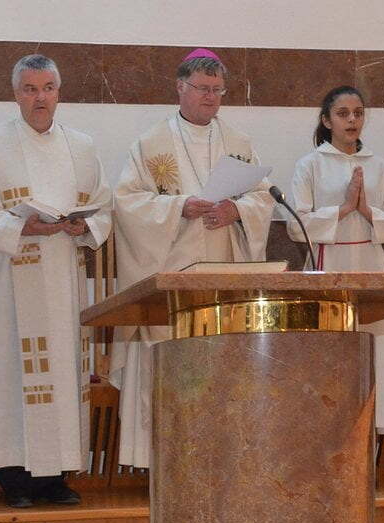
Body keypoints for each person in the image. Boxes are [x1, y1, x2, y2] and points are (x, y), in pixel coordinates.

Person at [111, 48, 275, 468]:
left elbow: (263, 196)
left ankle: (219, 458)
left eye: (218, 90)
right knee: (173, 369)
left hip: (223, 276)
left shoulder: (239, 144)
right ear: (180, 88)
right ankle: (166, 461)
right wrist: (178, 208)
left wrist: (237, 210)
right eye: (202, 89)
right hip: (172, 277)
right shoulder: (150, 144)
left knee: (221, 368)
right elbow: (127, 202)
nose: (211, 97)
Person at [0, 54, 112, 507]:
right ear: (16, 95)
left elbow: (104, 206)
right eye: (30, 89)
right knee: (10, 372)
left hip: (61, 278)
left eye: (47, 88)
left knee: (62, 371)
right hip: (11, 281)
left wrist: (81, 226)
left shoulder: (83, 146)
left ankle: (53, 477)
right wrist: (20, 226)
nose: (39, 97)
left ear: (58, 93)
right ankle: (14, 477)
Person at [289, 85, 384, 435]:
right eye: (342, 113)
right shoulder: (310, 164)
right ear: (327, 120)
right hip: (330, 265)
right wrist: (343, 209)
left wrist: (367, 211)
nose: (352, 120)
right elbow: (297, 225)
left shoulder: (379, 165)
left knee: (376, 353)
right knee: (330, 357)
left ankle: (369, 452)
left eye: (358, 113)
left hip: (371, 263)